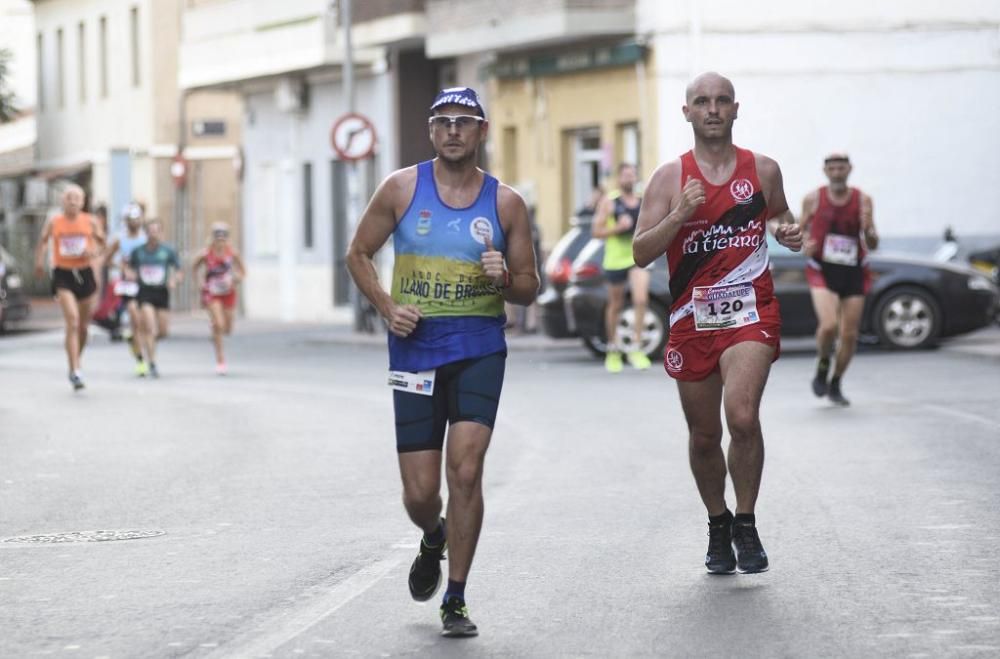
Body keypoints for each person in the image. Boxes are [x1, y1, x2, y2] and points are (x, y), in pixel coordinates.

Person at [346, 86, 539, 637]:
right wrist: (386, 307)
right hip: (414, 349)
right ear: (431, 132)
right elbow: (358, 253)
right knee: (420, 493)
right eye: (443, 121)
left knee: (468, 470)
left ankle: (455, 597)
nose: (453, 130)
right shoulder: (401, 189)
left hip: (479, 345)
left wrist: (506, 278)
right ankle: (433, 532)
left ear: (481, 132)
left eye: (465, 121)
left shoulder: (506, 203)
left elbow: (529, 287)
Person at [633, 72, 802, 575]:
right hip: (692, 317)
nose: (712, 109)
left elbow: (780, 216)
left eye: (721, 101)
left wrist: (786, 231)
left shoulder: (763, 169)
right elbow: (641, 252)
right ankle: (718, 522)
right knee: (704, 436)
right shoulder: (668, 179)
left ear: (735, 109)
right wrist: (678, 214)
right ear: (686, 112)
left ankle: (746, 522)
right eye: (701, 102)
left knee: (743, 417)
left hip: (751, 309)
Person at [799, 154, 877, 406]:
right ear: (824, 170)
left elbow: (873, 243)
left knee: (850, 334)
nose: (836, 171)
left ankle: (836, 382)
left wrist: (869, 229)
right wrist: (804, 245)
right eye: (831, 167)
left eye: (841, 167)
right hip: (822, 268)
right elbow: (801, 233)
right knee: (829, 325)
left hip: (853, 270)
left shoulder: (862, 199)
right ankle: (823, 364)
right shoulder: (813, 198)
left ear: (849, 169)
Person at [34, 184, 106, 390]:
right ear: (62, 201)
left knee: (83, 327)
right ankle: (74, 369)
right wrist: (39, 262)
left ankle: (76, 361)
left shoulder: (90, 221)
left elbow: (103, 243)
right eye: (69, 197)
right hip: (63, 274)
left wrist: (94, 253)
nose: (72, 201)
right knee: (72, 322)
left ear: (83, 202)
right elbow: (42, 242)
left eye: (76, 198)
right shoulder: (54, 222)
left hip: (84, 273)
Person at [592, 163, 652, 372]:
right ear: (619, 179)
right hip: (615, 260)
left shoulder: (642, 202)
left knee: (641, 300)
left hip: (637, 259)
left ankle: (636, 347)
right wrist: (618, 228)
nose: (629, 179)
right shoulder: (610, 202)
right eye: (626, 175)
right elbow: (596, 231)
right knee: (615, 305)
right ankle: (614, 349)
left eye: (632, 175)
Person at [126, 219, 181, 378]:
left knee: (162, 331)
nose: (153, 234)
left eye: (157, 231)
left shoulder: (168, 251)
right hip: (145, 292)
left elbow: (179, 270)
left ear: (161, 233)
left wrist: (174, 280)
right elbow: (128, 265)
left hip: (162, 292)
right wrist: (130, 273)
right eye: (150, 231)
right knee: (150, 326)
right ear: (146, 233)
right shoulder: (138, 251)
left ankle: (144, 341)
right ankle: (152, 362)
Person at [192, 222, 246, 375]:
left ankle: (215, 331)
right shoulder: (205, 254)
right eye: (217, 237)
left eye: (223, 238)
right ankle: (220, 360)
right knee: (219, 324)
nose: (220, 241)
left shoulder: (232, 253)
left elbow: (243, 272)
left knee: (227, 329)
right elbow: (194, 267)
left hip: (228, 293)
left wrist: (235, 278)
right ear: (213, 238)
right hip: (212, 293)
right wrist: (200, 283)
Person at [105, 202, 148, 374]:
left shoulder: (146, 238)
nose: (134, 222)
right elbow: (107, 259)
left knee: (145, 324)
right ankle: (141, 361)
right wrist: (122, 268)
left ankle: (134, 342)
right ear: (125, 220)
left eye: (137, 219)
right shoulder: (120, 239)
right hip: (128, 285)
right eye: (130, 219)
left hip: (145, 284)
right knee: (135, 319)